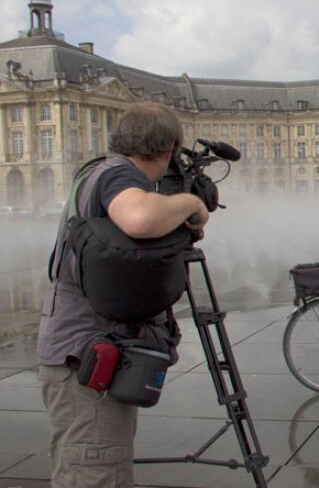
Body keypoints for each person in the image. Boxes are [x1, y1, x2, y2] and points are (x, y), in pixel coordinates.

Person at [38, 102, 209, 487]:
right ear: (168, 148)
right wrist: (191, 202)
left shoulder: (102, 173)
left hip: (86, 356)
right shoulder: (118, 175)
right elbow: (140, 219)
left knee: (98, 466)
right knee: (96, 473)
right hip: (84, 359)